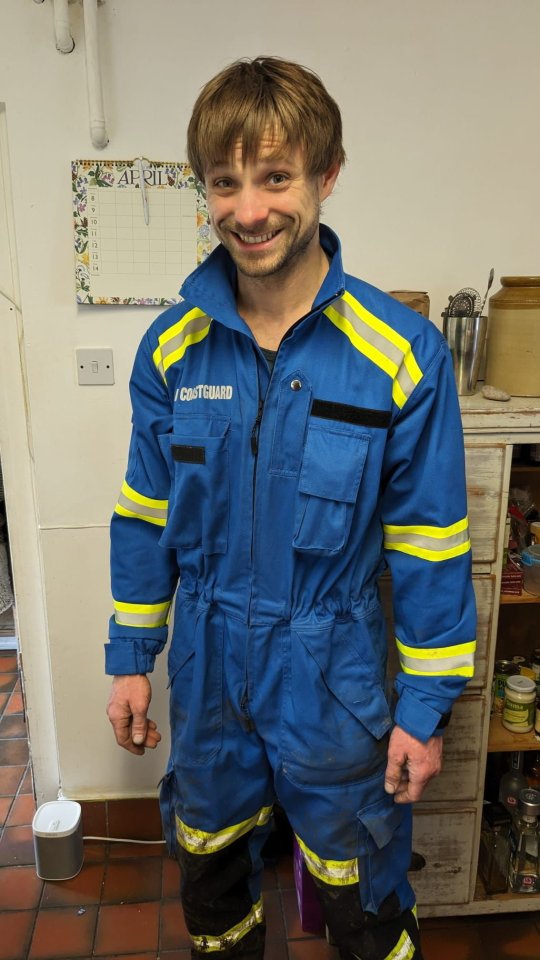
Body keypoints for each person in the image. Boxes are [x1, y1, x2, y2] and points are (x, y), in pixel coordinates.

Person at [106, 56, 476, 960]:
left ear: (326, 175)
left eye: (275, 177)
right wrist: (129, 658)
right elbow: (145, 518)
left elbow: (430, 548)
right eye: (224, 183)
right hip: (203, 672)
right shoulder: (172, 350)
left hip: (333, 675)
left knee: (359, 894)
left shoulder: (401, 355)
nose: (249, 209)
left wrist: (424, 710)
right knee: (212, 872)